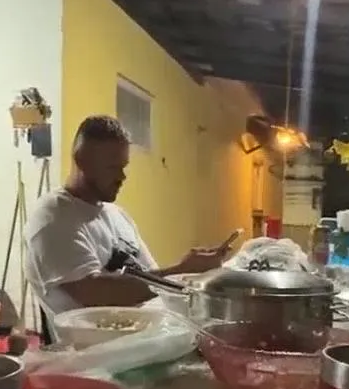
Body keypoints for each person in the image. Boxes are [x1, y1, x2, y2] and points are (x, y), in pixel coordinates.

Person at [24, 115, 229, 317]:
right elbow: (95, 293)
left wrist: (194, 272)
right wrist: (180, 271)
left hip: (154, 328)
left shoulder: (117, 215)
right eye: (112, 168)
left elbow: (153, 278)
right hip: (102, 338)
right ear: (82, 161)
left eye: (123, 167)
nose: (122, 177)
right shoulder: (53, 217)